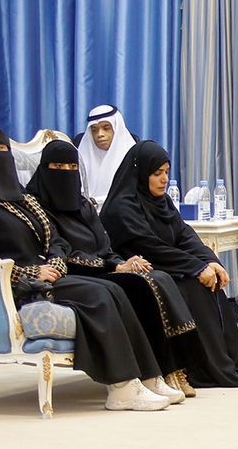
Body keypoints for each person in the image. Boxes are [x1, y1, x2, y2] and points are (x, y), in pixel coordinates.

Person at [0, 126, 174, 411]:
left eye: (0, 149)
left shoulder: (24, 201)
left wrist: (54, 264)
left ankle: (146, 376)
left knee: (113, 289)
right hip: (17, 288)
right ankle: (122, 387)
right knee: (98, 296)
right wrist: (31, 273)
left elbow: (55, 240)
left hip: (50, 277)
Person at [25, 139, 200, 399]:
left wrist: (120, 263)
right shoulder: (36, 207)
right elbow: (61, 251)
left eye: (71, 167)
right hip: (73, 273)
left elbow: (104, 245)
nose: (65, 173)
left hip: (101, 270)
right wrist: (112, 267)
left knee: (152, 279)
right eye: (58, 167)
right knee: (137, 287)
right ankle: (141, 376)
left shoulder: (83, 205)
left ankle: (163, 371)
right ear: (43, 169)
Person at [101, 140, 238, 387]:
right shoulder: (122, 208)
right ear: (140, 173)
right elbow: (150, 247)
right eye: (157, 173)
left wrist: (210, 261)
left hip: (169, 267)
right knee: (195, 287)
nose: (164, 179)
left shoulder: (162, 202)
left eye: (167, 172)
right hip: (141, 275)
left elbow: (185, 235)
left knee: (212, 283)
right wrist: (196, 268)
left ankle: (231, 366)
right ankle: (204, 369)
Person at [77, 104, 135, 205]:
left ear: (116, 129)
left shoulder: (133, 157)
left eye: (106, 128)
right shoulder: (81, 157)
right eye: (94, 130)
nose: (100, 134)